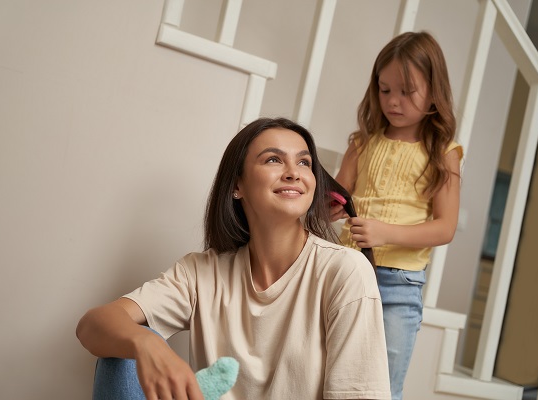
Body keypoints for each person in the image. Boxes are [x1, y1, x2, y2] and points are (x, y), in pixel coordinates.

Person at [77, 117, 391, 400]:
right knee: (120, 355)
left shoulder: (345, 271)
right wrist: (147, 344)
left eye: (305, 163)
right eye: (273, 160)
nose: (294, 173)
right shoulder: (201, 272)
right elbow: (92, 325)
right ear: (237, 185)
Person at [331, 31, 463, 400]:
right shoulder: (362, 143)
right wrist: (328, 205)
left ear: (434, 93)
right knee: (329, 371)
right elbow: (338, 198)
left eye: (407, 91)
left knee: (383, 386)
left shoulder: (444, 152)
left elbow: (445, 227)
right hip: (346, 272)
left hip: (399, 287)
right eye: (385, 89)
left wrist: (385, 233)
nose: (393, 101)